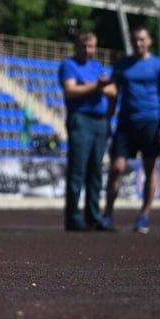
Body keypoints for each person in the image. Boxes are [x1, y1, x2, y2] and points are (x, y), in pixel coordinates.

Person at [104, 26, 160, 235]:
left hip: (150, 122)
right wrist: (108, 119)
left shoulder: (159, 65)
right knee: (116, 167)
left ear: (150, 40)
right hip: (125, 123)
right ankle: (107, 214)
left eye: (142, 39)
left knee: (150, 169)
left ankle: (144, 215)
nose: (138, 43)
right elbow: (114, 93)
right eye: (135, 40)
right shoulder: (123, 64)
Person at [57, 31, 115, 231]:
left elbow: (112, 90)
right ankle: (73, 216)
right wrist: (96, 87)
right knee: (78, 170)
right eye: (85, 46)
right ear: (77, 46)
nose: (88, 50)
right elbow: (71, 90)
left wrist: (92, 87)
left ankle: (93, 215)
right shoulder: (69, 65)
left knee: (96, 171)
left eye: (92, 46)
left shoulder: (97, 66)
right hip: (80, 119)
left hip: (99, 121)